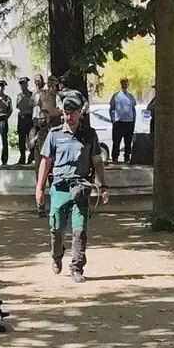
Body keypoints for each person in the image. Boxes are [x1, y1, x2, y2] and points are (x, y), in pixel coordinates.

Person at [35, 92, 109, 284]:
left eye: (73, 113)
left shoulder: (89, 135)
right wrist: (40, 188)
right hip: (59, 187)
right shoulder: (54, 134)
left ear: (80, 113)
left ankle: (76, 267)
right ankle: (56, 255)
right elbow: (45, 161)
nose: (70, 117)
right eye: (66, 113)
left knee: (79, 230)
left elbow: (97, 161)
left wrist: (103, 185)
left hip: (80, 187)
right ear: (62, 113)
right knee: (56, 228)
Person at [108, 78, 137, 163]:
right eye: (124, 83)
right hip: (118, 122)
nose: (125, 85)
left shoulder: (130, 96)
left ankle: (127, 157)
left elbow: (133, 109)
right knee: (116, 141)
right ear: (121, 84)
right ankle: (115, 157)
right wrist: (112, 119)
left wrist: (134, 120)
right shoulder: (116, 96)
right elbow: (111, 109)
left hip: (129, 122)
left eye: (127, 83)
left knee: (128, 141)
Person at [16, 76, 35, 165]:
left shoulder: (32, 95)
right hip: (21, 119)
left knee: (30, 138)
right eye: (21, 84)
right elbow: (18, 107)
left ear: (27, 84)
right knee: (21, 139)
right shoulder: (19, 96)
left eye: (24, 83)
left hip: (29, 118)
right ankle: (22, 158)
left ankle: (31, 157)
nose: (22, 85)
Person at [0, 79, 13, 165]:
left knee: (4, 140)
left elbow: (10, 110)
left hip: (3, 119)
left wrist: (6, 117)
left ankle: (4, 160)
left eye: (2, 87)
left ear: (4, 88)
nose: (0, 89)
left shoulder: (7, 98)